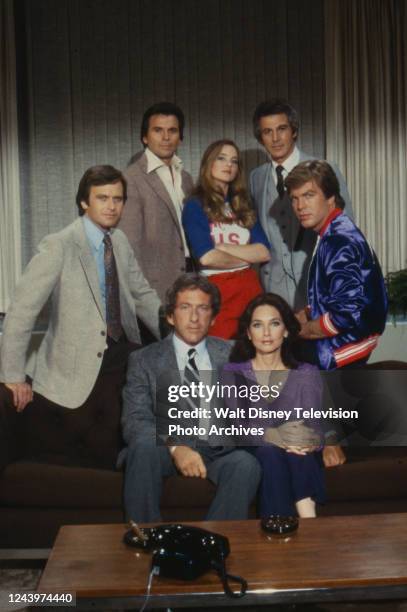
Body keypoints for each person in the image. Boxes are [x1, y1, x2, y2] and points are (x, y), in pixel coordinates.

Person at [0, 165, 161, 414]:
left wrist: (178, 335)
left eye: (117, 199)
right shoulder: (58, 245)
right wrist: (12, 375)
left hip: (122, 355)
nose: (111, 206)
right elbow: (22, 311)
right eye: (102, 198)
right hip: (74, 373)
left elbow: (143, 296)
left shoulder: (119, 241)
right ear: (85, 202)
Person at [121, 273, 261, 522]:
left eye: (203, 309)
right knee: (142, 448)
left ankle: (210, 545)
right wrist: (177, 447)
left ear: (214, 317)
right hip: (163, 450)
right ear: (170, 316)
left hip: (217, 451)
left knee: (245, 464)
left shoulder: (233, 353)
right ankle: (147, 543)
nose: (194, 318)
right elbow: (135, 420)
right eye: (185, 308)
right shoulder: (144, 359)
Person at [223, 293, 325, 518]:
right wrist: (275, 435)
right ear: (249, 333)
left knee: (293, 452)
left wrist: (307, 442)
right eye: (258, 325)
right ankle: (308, 517)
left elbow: (315, 427)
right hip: (253, 449)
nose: (267, 333)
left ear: (286, 330)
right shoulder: (233, 374)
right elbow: (239, 428)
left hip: (297, 452)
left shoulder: (306, 373)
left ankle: (295, 525)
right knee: (270, 452)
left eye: (274, 323)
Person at [250, 98, 353, 311]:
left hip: (316, 286)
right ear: (260, 137)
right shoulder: (256, 178)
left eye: (282, 129)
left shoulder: (324, 169)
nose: (276, 138)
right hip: (272, 292)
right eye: (268, 132)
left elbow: (345, 232)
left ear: (294, 131)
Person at [286, 160, 388, 370]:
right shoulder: (336, 229)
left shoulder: (337, 240)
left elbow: (346, 313)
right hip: (355, 336)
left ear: (331, 198)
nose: (299, 206)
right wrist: (306, 313)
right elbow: (336, 293)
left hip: (345, 345)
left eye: (308, 195)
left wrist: (300, 330)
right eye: (294, 198)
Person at [182, 139, 270, 339]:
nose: (229, 165)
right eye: (221, 158)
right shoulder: (195, 205)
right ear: (209, 163)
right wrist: (248, 256)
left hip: (250, 288)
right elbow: (206, 257)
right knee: (222, 357)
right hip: (216, 291)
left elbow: (264, 252)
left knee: (254, 354)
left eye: (234, 161)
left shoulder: (243, 204)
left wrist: (223, 247)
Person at [119, 102, 194, 303]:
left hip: (191, 275)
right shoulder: (131, 179)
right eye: (158, 130)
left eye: (172, 131)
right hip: (155, 285)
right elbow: (130, 246)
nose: (166, 137)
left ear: (181, 137)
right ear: (145, 136)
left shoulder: (186, 177)